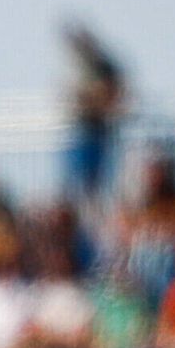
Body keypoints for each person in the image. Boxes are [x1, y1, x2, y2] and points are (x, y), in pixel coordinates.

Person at [61, 23, 128, 210]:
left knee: (97, 183)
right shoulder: (76, 67)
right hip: (79, 130)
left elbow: (114, 94)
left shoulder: (104, 66)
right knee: (76, 182)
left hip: (98, 130)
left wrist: (95, 99)